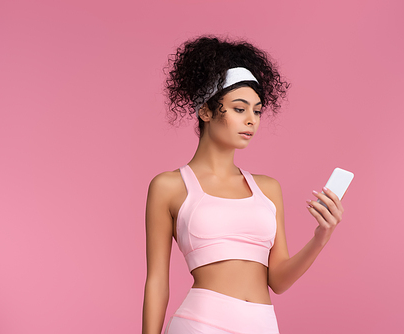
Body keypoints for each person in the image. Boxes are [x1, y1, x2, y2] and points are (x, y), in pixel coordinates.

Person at [142, 36, 345, 334]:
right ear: (206, 111)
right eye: (239, 109)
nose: (252, 120)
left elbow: (278, 280)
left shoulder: (268, 189)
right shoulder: (169, 186)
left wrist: (321, 236)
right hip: (200, 325)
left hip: (262, 326)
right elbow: (157, 281)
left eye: (257, 110)